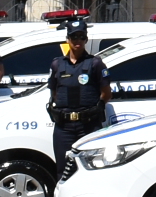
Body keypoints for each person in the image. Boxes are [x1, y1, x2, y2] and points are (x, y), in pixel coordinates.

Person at [44, 20, 111, 172]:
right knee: (63, 170)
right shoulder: (57, 64)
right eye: (74, 37)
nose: (77, 41)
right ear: (68, 39)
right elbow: (54, 93)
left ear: (86, 39)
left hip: (88, 125)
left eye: (81, 37)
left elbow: (106, 93)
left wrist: (95, 108)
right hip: (64, 128)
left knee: (93, 169)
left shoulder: (95, 63)